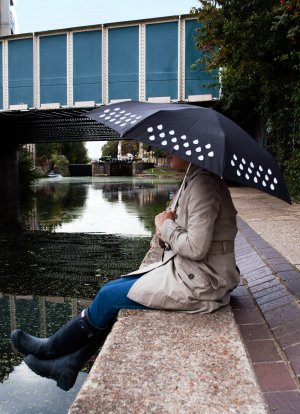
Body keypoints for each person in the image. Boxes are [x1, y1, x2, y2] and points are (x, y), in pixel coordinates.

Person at [10, 154, 240, 391]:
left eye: (170, 148)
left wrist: (166, 226)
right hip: (188, 271)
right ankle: (69, 364)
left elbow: (196, 247)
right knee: (110, 289)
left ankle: (49, 349)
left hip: (201, 282)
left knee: (109, 297)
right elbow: (181, 236)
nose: (164, 152)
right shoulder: (193, 180)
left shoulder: (204, 185)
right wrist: (165, 228)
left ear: (191, 150)